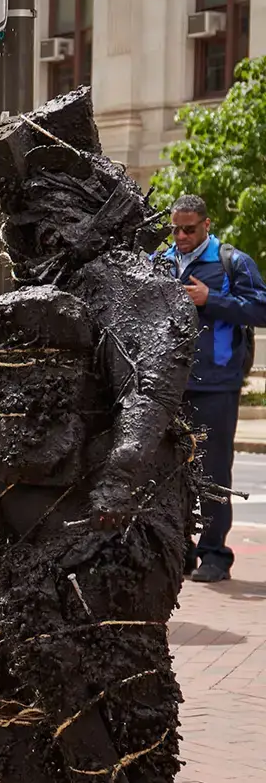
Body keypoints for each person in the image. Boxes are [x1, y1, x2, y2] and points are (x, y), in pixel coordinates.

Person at [0, 87, 199, 783]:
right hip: (23, 505)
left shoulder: (137, 288)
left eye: (40, 217)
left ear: (81, 207)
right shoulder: (47, 284)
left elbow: (148, 399)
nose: (27, 233)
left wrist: (115, 496)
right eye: (20, 219)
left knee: (89, 663)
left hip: (106, 523)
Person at [162, 194, 266, 582]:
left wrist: (211, 299)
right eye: (176, 228)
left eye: (189, 228)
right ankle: (181, 550)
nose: (181, 235)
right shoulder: (163, 261)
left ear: (207, 224)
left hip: (216, 383)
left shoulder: (231, 262)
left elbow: (260, 309)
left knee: (213, 471)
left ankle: (215, 554)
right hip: (168, 383)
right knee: (170, 471)